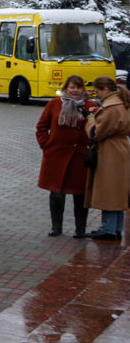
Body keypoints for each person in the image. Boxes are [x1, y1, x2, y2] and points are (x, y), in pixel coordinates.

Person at [36, 75, 93, 238]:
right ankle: (56, 227)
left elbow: (96, 131)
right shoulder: (54, 104)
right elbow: (41, 127)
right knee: (56, 194)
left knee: (80, 195)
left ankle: (80, 229)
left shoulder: (90, 106)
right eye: (72, 87)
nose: (75, 91)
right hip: (56, 157)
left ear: (83, 89)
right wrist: (46, 145)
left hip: (80, 159)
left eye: (78, 87)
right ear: (66, 88)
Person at [84, 76, 130, 241]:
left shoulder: (111, 107)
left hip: (110, 151)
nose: (97, 95)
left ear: (106, 90)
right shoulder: (122, 102)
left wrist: (90, 121)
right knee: (118, 191)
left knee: (109, 189)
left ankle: (108, 228)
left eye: (97, 91)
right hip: (121, 148)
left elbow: (96, 133)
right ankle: (116, 228)